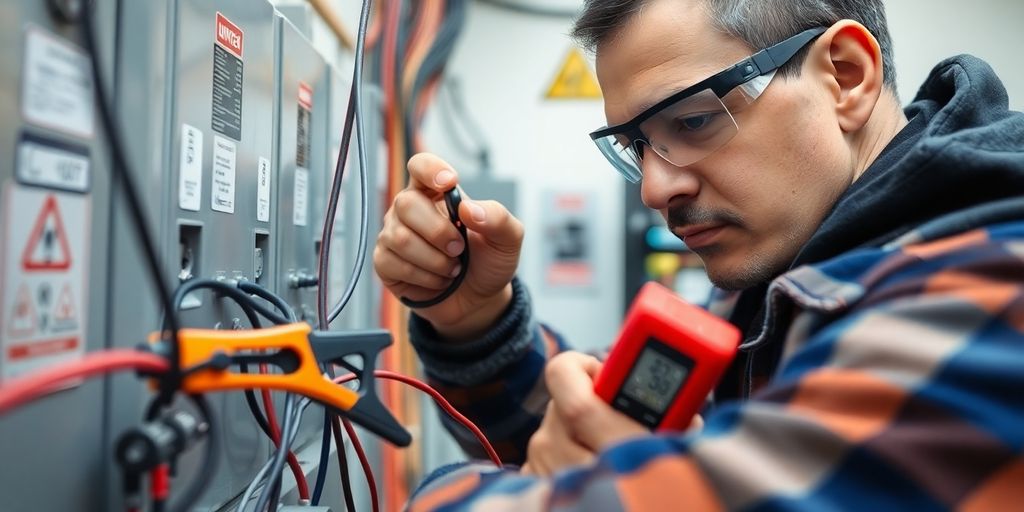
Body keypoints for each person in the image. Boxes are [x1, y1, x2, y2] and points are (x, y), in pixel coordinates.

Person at [373, 0, 1024, 509]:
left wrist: (438, 491)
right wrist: (475, 319)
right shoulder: (788, 274)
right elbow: (598, 437)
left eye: (693, 121)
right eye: (635, 146)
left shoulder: (988, 296)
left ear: (846, 78)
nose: (657, 190)